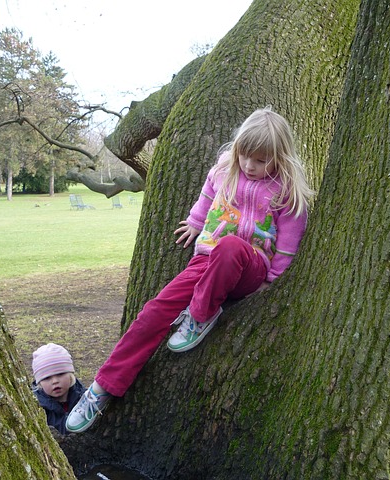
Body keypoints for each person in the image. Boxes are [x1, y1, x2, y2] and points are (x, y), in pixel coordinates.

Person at [66, 106, 313, 434]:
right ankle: (101, 389)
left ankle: (200, 314)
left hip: (249, 267)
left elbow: (288, 244)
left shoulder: (286, 190)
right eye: (246, 157)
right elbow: (207, 196)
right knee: (153, 312)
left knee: (231, 247)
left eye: (261, 160)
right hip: (206, 261)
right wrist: (197, 222)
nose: (250, 166)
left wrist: (273, 280)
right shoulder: (225, 170)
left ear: (279, 157)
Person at [31, 343, 86, 435]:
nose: (55, 381)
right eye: (47, 378)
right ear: (39, 382)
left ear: (70, 374)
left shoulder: (85, 399)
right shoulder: (37, 408)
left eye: (60, 374)